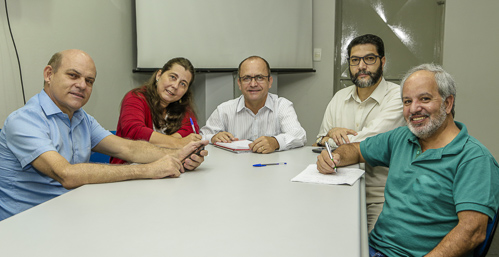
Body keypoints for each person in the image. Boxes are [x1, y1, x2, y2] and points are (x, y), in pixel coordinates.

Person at [0, 49, 208, 221]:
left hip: (70, 212)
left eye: (89, 81)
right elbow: (66, 174)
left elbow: (129, 148)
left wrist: (178, 156)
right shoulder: (24, 121)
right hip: (27, 224)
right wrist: (148, 169)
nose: (82, 85)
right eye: (73, 75)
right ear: (49, 74)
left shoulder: (82, 119)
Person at [317, 63, 499, 257]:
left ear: (448, 103)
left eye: (425, 99)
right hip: (374, 247)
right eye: (406, 101)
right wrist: (334, 157)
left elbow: (472, 232)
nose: (414, 109)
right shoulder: (402, 138)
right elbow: (356, 150)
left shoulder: (474, 159)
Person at [314, 34, 405, 233]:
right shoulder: (339, 97)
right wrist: (327, 136)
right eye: (355, 60)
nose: (361, 66)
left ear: (382, 61)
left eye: (369, 59)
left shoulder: (398, 98)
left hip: (380, 196)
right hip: (336, 188)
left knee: (371, 248)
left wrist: (330, 138)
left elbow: (368, 143)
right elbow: (319, 141)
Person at [200, 56, 306, 154]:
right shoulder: (224, 110)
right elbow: (201, 137)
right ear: (239, 84)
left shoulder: (282, 105)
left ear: (269, 81)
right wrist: (213, 137)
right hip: (235, 171)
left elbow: (299, 135)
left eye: (259, 77)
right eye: (246, 78)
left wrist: (275, 142)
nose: (253, 84)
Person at [111, 57, 201, 164]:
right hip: (129, 170)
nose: (175, 86)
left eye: (183, 84)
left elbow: (190, 130)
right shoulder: (135, 97)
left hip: (166, 171)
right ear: (159, 75)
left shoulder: (183, 105)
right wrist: (177, 143)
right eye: (173, 77)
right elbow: (135, 132)